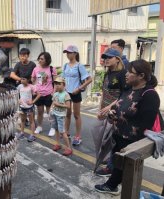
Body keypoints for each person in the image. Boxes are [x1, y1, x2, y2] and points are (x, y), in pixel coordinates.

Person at [95, 59, 160, 195]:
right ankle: (113, 185)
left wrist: (132, 145)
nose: (126, 74)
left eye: (130, 72)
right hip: (118, 135)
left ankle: (114, 187)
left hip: (131, 141)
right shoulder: (128, 88)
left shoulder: (149, 95)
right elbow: (120, 107)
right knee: (118, 165)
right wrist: (112, 114)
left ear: (141, 76)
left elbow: (145, 125)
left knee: (126, 170)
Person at [95, 48, 127, 177]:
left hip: (115, 112)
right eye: (105, 57)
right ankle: (109, 161)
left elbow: (124, 95)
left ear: (117, 59)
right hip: (105, 111)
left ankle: (111, 167)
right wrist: (100, 109)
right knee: (105, 139)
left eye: (109, 57)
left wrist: (110, 107)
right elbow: (104, 92)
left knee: (113, 140)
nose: (106, 59)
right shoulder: (108, 73)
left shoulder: (123, 74)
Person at [62, 45, 92, 146]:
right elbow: (62, 79)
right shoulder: (65, 65)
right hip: (67, 93)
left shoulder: (79, 66)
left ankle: (78, 136)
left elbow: (89, 79)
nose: (67, 54)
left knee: (76, 115)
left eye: (69, 52)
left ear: (75, 53)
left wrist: (79, 88)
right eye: (66, 52)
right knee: (67, 114)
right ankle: (67, 132)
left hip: (76, 93)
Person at [31, 52, 57, 135]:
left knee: (50, 112)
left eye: (42, 59)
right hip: (39, 94)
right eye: (39, 58)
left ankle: (52, 127)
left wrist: (54, 92)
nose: (40, 60)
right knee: (40, 111)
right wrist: (34, 85)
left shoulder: (52, 69)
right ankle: (39, 126)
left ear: (47, 60)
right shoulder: (36, 69)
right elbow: (33, 79)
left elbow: (56, 82)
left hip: (49, 93)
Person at [50, 77, 72, 156]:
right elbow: (53, 103)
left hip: (61, 116)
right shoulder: (55, 94)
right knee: (56, 129)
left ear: (64, 85)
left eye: (59, 84)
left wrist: (58, 104)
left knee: (62, 132)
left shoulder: (66, 94)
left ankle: (68, 148)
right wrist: (50, 112)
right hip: (54, 114)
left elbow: (68, 106)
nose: (57, 85)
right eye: (56, 84)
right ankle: (58, 143)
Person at [16, 75, 41, 142]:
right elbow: (15, 93)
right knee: (23, 120)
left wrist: (32, 101)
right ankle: (22, 133)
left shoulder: (31, 87)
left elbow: (39, 94)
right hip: (22, 107)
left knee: (31, 121)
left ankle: (32, 135)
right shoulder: (20, 86)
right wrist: (18, 100)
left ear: (27, 80)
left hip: (29, 107)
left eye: (24, 79)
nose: (22, 80)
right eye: (21, 79)